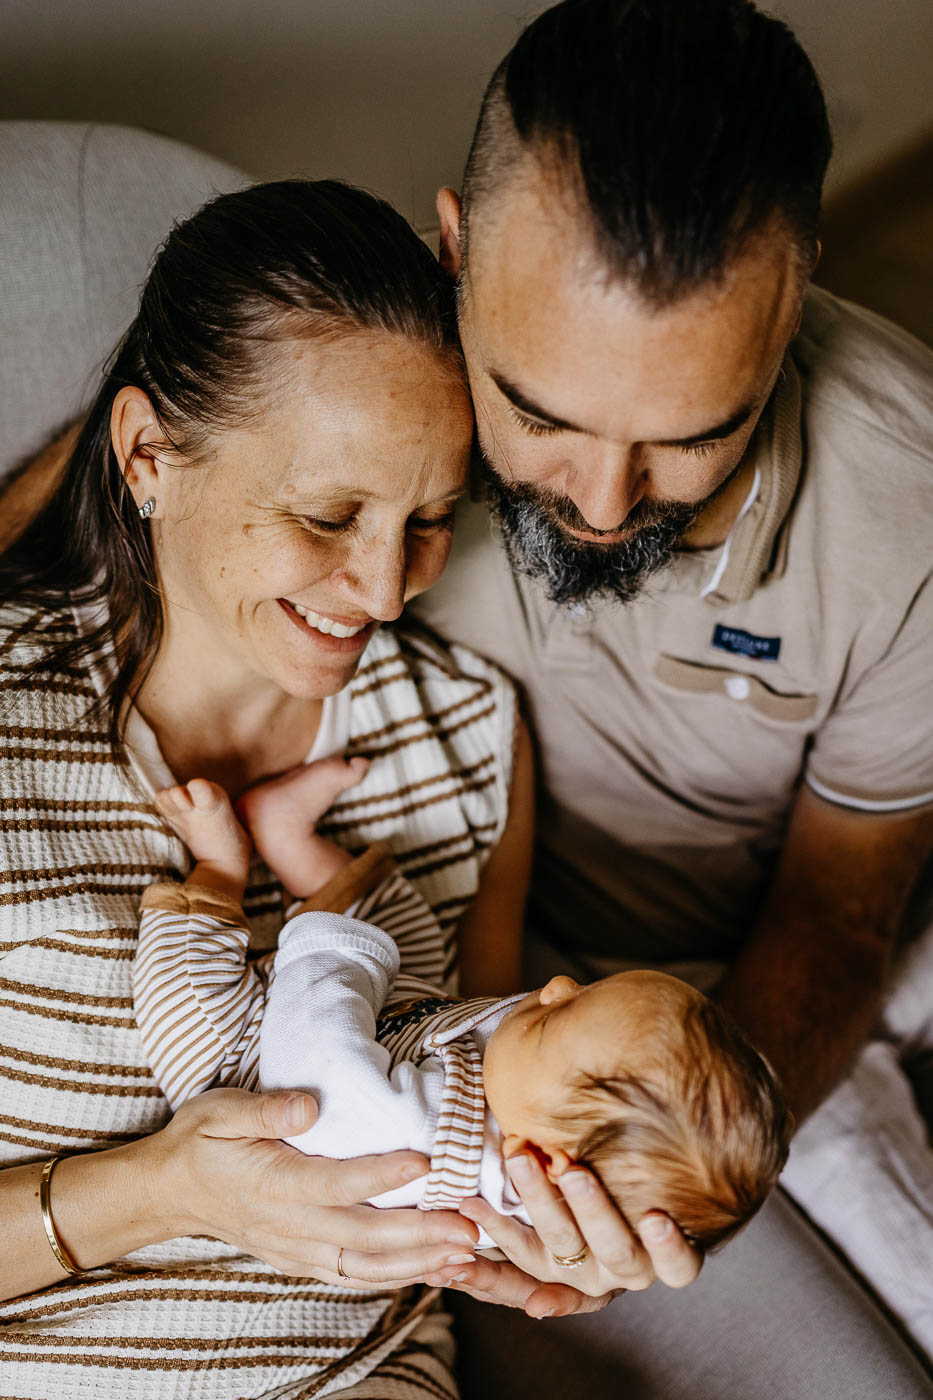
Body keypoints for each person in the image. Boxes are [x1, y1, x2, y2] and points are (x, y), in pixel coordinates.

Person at [403, 0, 933, 1390]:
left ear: (791, 316)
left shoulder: (905, 512)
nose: (596, 502)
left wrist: (645, 1169)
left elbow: (839, 909)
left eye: (692, 439)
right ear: (452, 255)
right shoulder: (355, 365)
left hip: (728, 1003)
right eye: (540, 416)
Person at [0, 175, 578, 1399]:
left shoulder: (468, 740)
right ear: (149, 453)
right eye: (327, 515)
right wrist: (170, 1185)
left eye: (430, 518)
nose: (382, 590)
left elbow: (470, 1110)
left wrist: (569, 1208)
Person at [129, 766, 790, 1275]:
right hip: (409, 1028)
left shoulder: (414, 1139)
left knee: (186, 1004)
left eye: (550, 1021)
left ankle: (220, 871)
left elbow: (316, 1064)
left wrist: (326, 944)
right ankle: (288, 837)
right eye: (583, 988)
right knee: (412, 929)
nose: (554, 986)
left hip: (264, 1064)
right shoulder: (538, 1100)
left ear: (537, 1159)